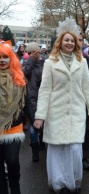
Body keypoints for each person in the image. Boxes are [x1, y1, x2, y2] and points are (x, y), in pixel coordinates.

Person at [33, 18, 89, 194]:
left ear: (75, 42)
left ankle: (74, 182)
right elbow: (44, 90)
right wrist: (40, 116)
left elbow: (87, 87)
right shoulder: (50, 62)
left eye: (72, 40)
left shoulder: (82, 62)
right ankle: (59, 184)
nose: (69, 42)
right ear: (60, 42)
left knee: (75, 150)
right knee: (57, 150)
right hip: (56, 112)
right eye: (66, 40)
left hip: (76, 111)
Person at [0, 41, 34, 194]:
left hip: (13, 127)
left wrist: (35, 121)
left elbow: (26, 104)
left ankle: (16, 189)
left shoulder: (19, 79)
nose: (2, 60)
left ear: (11, 59)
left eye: (5, 57)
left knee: (12, 161)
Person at [22, 42, 45, 162]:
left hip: (43, 99)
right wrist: (30, 60)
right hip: (31, 101)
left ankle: (42, 142)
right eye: (29, 53)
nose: (32, 54)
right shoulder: (27, 64)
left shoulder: (45, 64)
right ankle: (34, 151)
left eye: (34, 52)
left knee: (43, 126)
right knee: (32, 129)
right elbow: (24, 73)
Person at [78, 33, 89, 171]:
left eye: (80, 40)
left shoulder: (86, 60)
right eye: (76, 39)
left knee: (84, 128)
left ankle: (85, 156)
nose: (78, 42)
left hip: (82, 100)